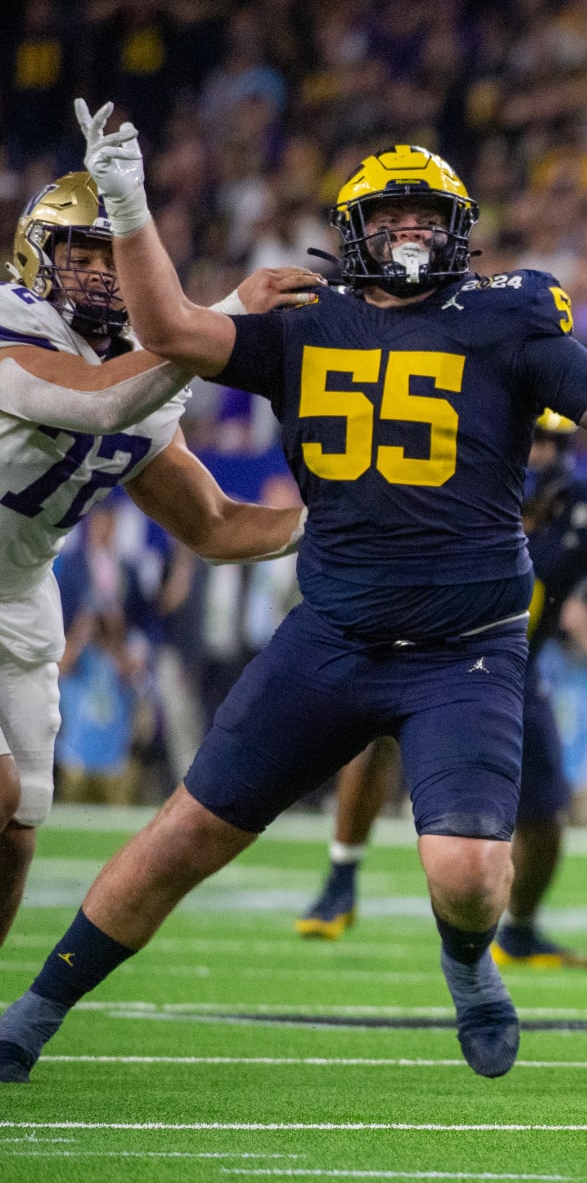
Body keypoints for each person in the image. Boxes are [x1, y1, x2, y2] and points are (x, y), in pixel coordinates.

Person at [0, 102, 587, 1085]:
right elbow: (175, 331)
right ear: (352, 232)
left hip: (463, 649)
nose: (407, 235)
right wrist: (132, 200)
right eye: (388, 218)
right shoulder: (303, 322)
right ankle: (33, 1014)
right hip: (332, 637)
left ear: (460, 231)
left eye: (426, 218)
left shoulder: (507, 320)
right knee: (181, 838)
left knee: (470, 874)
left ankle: (470, 963)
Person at [0, 170, 313, 954]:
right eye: (83, 253)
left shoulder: (146, 374)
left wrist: (345, 519)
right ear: (34, 257)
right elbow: (97, 400)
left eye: (116, 257)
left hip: (22, 594)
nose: (103, 272)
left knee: (19, 827)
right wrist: (223, 319)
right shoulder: (15, 327)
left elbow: (213, 524)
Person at [294, 412, 587, 966]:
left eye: (550, 441)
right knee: (378, 740)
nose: (537, 453)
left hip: (514, 668)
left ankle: (518, 929)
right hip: (423, 650)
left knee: (545, 810)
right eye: (527, 438)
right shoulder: (453, 484)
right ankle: (341, 876)